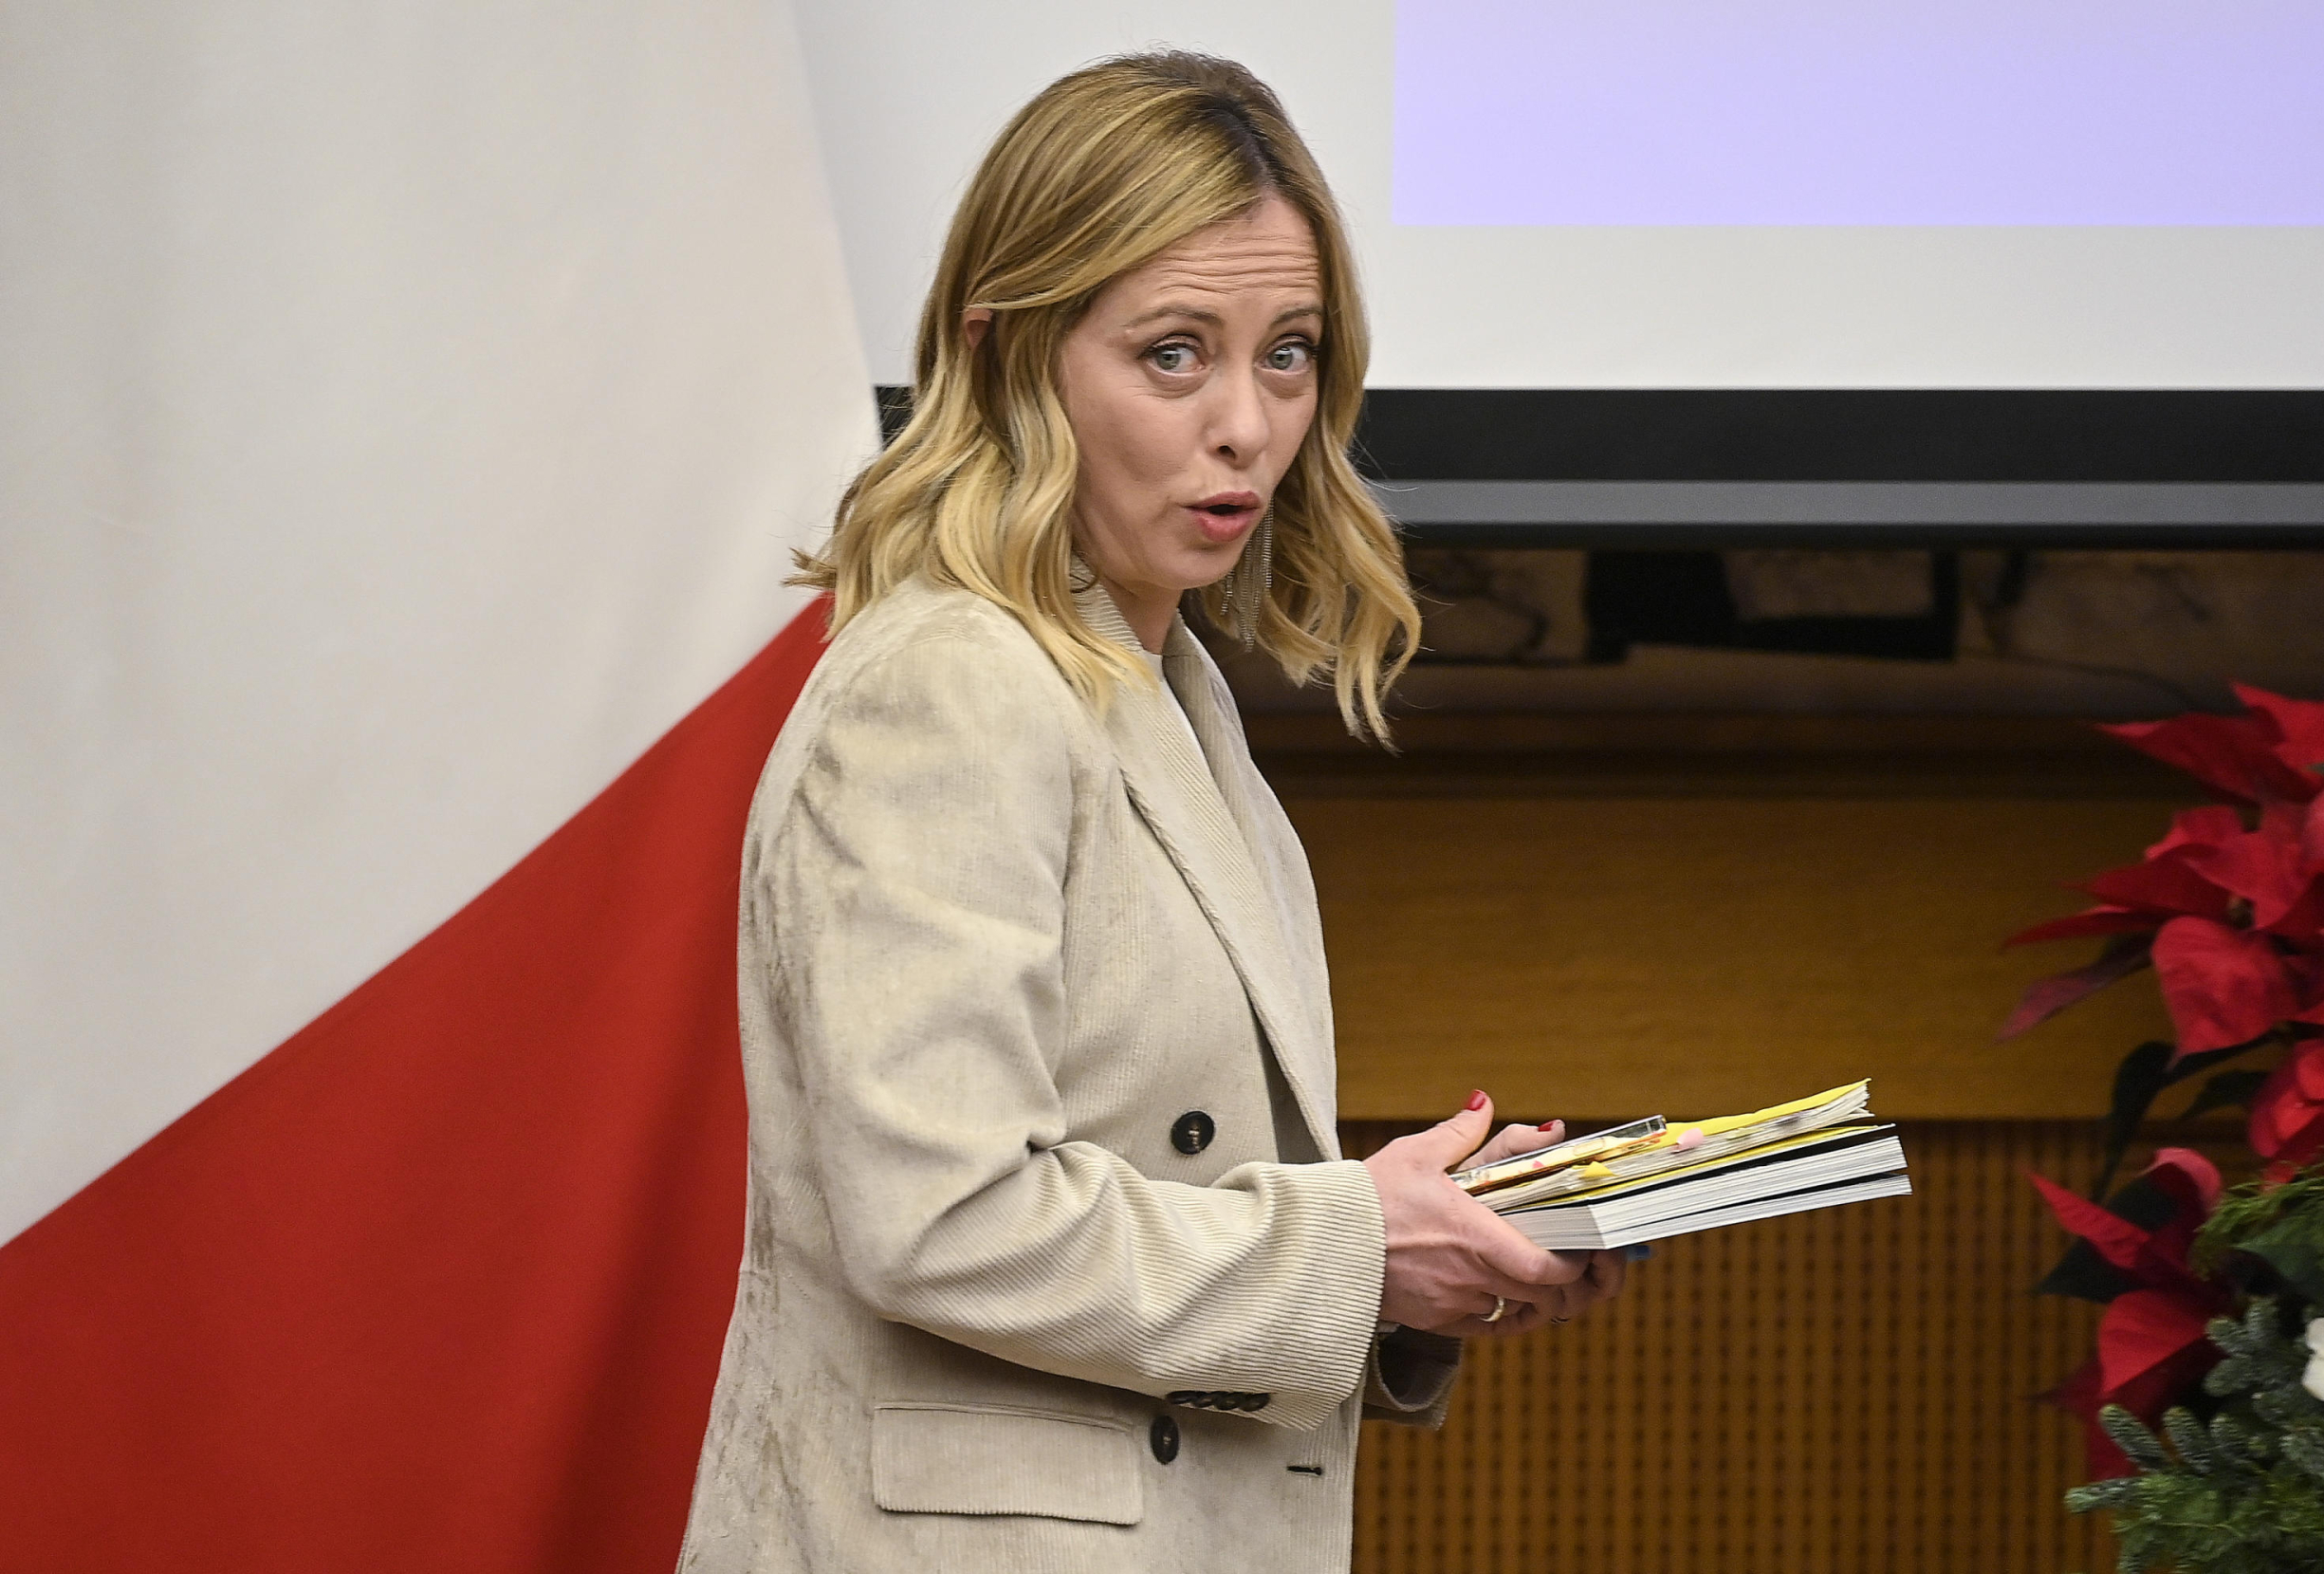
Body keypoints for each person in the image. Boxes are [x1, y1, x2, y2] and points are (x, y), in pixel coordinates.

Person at [676, 51, 1627, 1573]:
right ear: (1007, 358)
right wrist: (1360, 1246)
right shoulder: (949, 684)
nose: (1250, 426)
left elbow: (1157, 1193)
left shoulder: (1152, 682)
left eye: (1290, 353)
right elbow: (947, 1216)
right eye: (1175, 354)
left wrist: (1418, 1261)